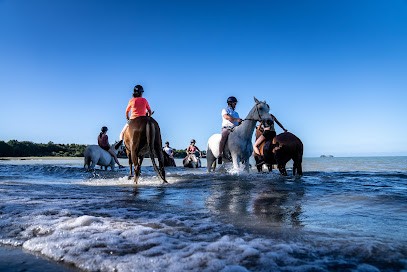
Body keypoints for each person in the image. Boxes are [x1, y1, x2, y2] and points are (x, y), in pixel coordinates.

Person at [218, 96, 243, 163]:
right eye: (235, 103)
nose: (235, 105)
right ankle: (220, 154)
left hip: (235, 129)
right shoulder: (225, 110)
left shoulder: (236, 113)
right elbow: (226, 117)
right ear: (230, 103)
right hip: (227, 128)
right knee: (223, 137)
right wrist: (236, 119)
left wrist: (241, 122)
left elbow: (238, 123)